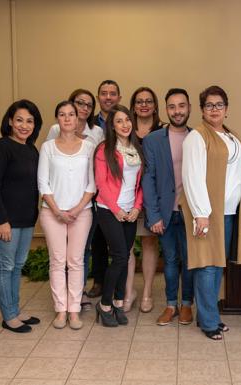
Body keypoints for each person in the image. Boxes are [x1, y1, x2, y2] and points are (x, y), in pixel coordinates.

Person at [181, 85, 241, 340]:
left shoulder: (230, 136)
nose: (214, 109)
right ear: (202, 110)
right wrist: (201, 213)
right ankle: (209, 322)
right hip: (208, 212)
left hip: (228, 211)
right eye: (209, 105)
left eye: (219, 105)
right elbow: (192, 177)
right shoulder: (196, 137)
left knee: (217, 265)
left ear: (227, 109)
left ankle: (208, 316)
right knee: (207, 265)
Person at [0, 99, 43, 333]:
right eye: (19, 120)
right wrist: (2, 220)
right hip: (5, 220)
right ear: (10, 121)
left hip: (26, 219)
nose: (24, 125)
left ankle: (15, 310)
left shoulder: (31, 149)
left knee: (17, 266)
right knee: (5, 266)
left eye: (29, 121)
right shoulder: (1, 147)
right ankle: (9, 316)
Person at [38, 101, 96, 330]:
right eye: (62, 114)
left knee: (76, 261)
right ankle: (60, 310)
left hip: (81, 213)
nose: (67, 118)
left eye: (71, 114)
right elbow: (43, 183)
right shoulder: (48, 147)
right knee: (57, 261)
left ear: (77, 117)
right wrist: (57, 210)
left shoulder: (89, 147)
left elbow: (92, 184)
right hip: (52, 212)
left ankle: (74, 310)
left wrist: (76, 209)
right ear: (57, 119)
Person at [46, 89, 104, 310]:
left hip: (86, 203)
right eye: (80, 103)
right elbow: (50, 168)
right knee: (60, 257)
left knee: (81, 251)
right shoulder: (54, 131)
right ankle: (63, 302)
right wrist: (55, 206)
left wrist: (81, 205)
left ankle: (78, 296)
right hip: (57, 204)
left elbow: (96, 170)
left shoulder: (96, 133)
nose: (84, 108)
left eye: (89, 105)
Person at [142, 88, 194, 325]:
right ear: (166, 110)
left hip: (191, 212)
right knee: (171, 260)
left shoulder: (199, 137)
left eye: (181, 106)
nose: (177, 111)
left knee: (190, 260)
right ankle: (171, 305)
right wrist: (153, 216)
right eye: (172, 107)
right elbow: (149, 179)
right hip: (165, 212)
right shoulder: (153, 140)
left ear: (189, 108)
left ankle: (187, 305)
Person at [93, 104, 144, 327]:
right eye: (119, 121)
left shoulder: (136, 147)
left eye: (127, 120)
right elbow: (101, 184)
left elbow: (140, 183)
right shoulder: (104, 149)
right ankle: (104, 304)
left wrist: (137, 208)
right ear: (112, 127)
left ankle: (118, 301)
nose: (125, 125)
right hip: (108, 210)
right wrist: (117, 210)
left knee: (126, 257)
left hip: (130, 211)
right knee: (121, 256)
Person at [123, 86, 163, 313]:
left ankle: (147, 291)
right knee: (126, 245)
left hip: (152, 198)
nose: (144, 105)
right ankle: (129, 291)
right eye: (139, 101)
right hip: (127, 197)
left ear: (155, 106)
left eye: (148, 101)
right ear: (133, 106)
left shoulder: (163, 131)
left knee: (149, 242)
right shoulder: (125, 129)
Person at [86, 80, 122, 299]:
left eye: (113, 94)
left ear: (119, 97)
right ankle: (99, 281)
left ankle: (118, 284)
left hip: (120, 194)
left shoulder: (125, 120)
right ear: (98, 97)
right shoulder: (88, 123)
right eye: (104, 93)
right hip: (94, 192)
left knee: (119, 246)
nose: (108, 97)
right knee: (97, 239)